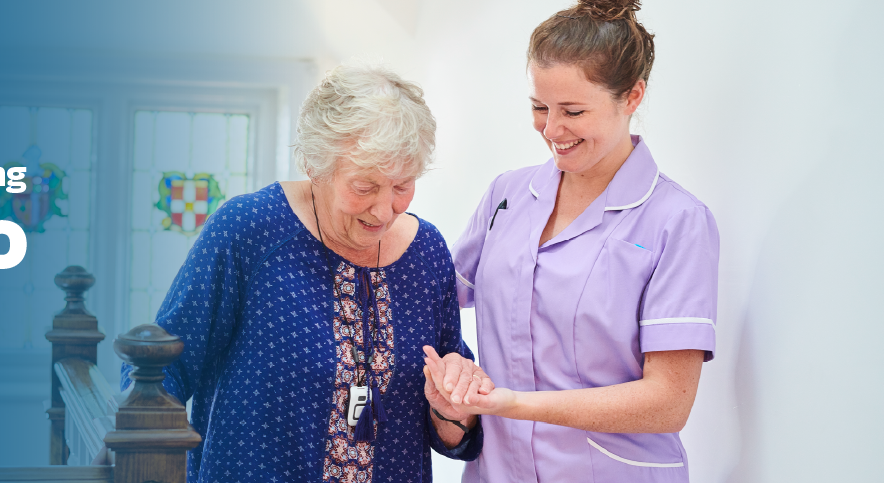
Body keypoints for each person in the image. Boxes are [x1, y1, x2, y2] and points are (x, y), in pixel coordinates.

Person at [123, 64, 482, 483]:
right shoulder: (251, 229)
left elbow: (450, 423)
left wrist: (454, 411)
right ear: (316, 166)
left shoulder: (426, 252)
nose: (385, 210)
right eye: (364, 187)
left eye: (402, 186)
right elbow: (165, 369)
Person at [423, 0, 719, 481]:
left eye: (574, 111)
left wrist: (515, 403)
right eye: (539, 107)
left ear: (633, 96)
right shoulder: (508, 195)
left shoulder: (677, 221)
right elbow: (431, 292)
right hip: (497, 471)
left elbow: (668, 402)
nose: (552, 130)